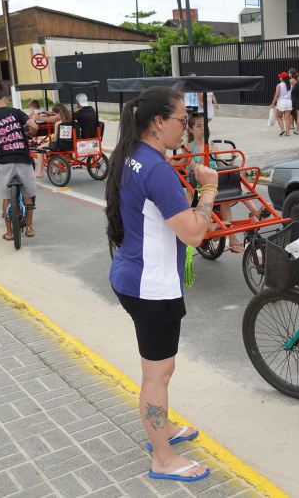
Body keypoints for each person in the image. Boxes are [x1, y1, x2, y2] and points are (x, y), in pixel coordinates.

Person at [104, 86, 217, 483]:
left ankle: (162, 429)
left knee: (160, 369)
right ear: (157, 123)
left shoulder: (132, 156)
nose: (186, 128)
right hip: (151, 287)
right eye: (182, 121)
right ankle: (163, 458)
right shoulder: (156, 169)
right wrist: (209, 189)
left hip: (132, 274)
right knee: (157, 374)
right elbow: (193, 234)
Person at [176, 113, 263, 253]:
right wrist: (205, 154)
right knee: (222, 194)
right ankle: (232, 239)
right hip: (197, 189)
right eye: (199, 126)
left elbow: (222, 167)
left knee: (235, 183)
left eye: (204, 125)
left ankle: (256, 212)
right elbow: (196, 171)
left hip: (215, 186)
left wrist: (231, 162)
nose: (203, 129)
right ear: (191, 129)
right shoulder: (187, 148)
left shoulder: (213, 146)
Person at [0, 91, 40, 240]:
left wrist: (1, 153)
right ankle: (29, 228)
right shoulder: (16, 112)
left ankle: (9, 233)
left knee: (6, 197)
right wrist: (31, 132)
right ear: (5, 100)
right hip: (23, 158)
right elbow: (34, 126)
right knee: (28, 194)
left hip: (4, 161)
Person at [34, 103, 74, 179]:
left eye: (56, 114)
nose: (56, 116)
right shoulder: (71, 121)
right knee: (47, 144)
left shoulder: (58, 124)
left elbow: (55, 140)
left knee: (39, 148)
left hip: (60, 145)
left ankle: (39, 172)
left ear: (59, 113)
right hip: (71, 144)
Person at [270, 72, 293, 137]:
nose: (279, 78)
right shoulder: (290, 85)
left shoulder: (279, 85)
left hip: (281, 102)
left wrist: (273, 103)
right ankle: (287, 133)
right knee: (287, 118)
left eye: (280, 77)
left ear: (282, 78)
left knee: (279, 117)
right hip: (289, 101)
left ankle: (282, 129)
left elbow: (277, 95)